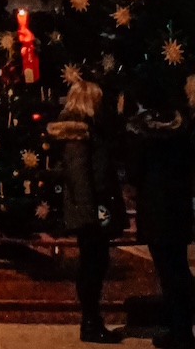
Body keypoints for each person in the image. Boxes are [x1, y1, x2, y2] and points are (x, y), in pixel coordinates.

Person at [47, 78, 125, 344]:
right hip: (90, 211)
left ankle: (92, 320)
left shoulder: (88, 130)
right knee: (92, 265)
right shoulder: (77, 133)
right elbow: (79, 175)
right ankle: (90, 322)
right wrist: (89, 214)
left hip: (95, 207)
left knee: (96, 263)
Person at [126, 78, 195, 349]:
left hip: (156, 209)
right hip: (177, 207)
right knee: (179, 268)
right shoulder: (181, 128)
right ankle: (182, 324)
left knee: (168, 271)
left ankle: (179, 331)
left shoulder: (142, 133)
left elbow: (134, 172)